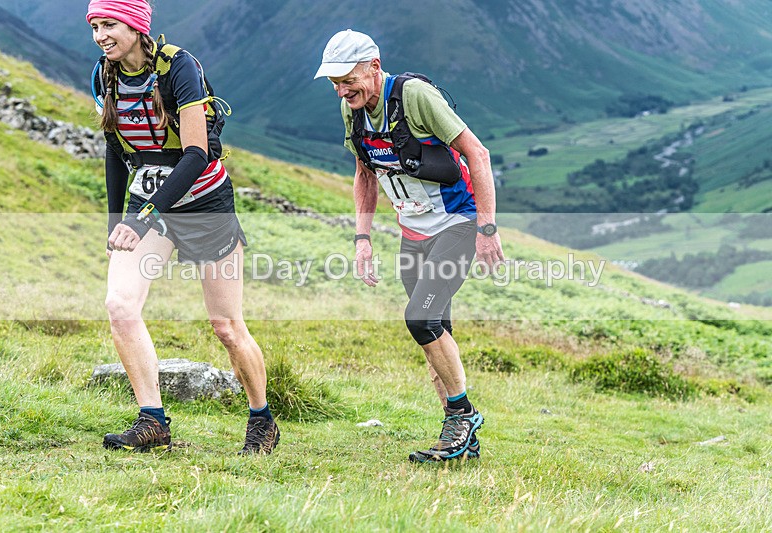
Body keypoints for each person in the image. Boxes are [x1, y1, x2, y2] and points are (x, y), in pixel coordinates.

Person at [87, 0, 279, 454]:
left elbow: (195, 154)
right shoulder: (103, 74)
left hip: (204, 202)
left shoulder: (180, 69)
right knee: (119, 305)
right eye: (94, 26)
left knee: (227, 326)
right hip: (147, 204)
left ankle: (262, 419)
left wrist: (143, 217)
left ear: (136, 25)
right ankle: (152, 420)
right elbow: (116, 151)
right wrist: (118, 222)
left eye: (109, 24)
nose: (100, 35)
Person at [315, 30, 505, 463]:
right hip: (413, 232)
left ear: (374, 67)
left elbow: (477, 153)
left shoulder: (415, 96)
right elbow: (366, 175)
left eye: (348, 80)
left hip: (458, 222)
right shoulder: (354, 111)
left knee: (419, 318)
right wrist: (362, 240)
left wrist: (487, 229)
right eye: (335, 84)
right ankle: (459, 440)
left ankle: (463, 415)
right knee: (435, 332)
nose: (343, 91)